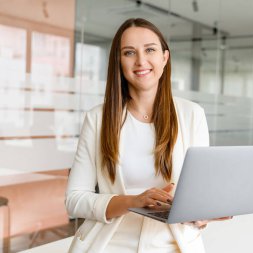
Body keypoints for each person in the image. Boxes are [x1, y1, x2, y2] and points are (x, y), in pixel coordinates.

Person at [65, 18, 230, 253]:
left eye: (150, 50)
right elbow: (75, 199)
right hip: (111, 244)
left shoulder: (192, 114)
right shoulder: (98, 119)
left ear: (165, 57)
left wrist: (201, 215)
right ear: (119, 62)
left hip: (174, 244)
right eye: (129, 52)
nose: (141, 61)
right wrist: (133, 202)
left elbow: (199, 194)